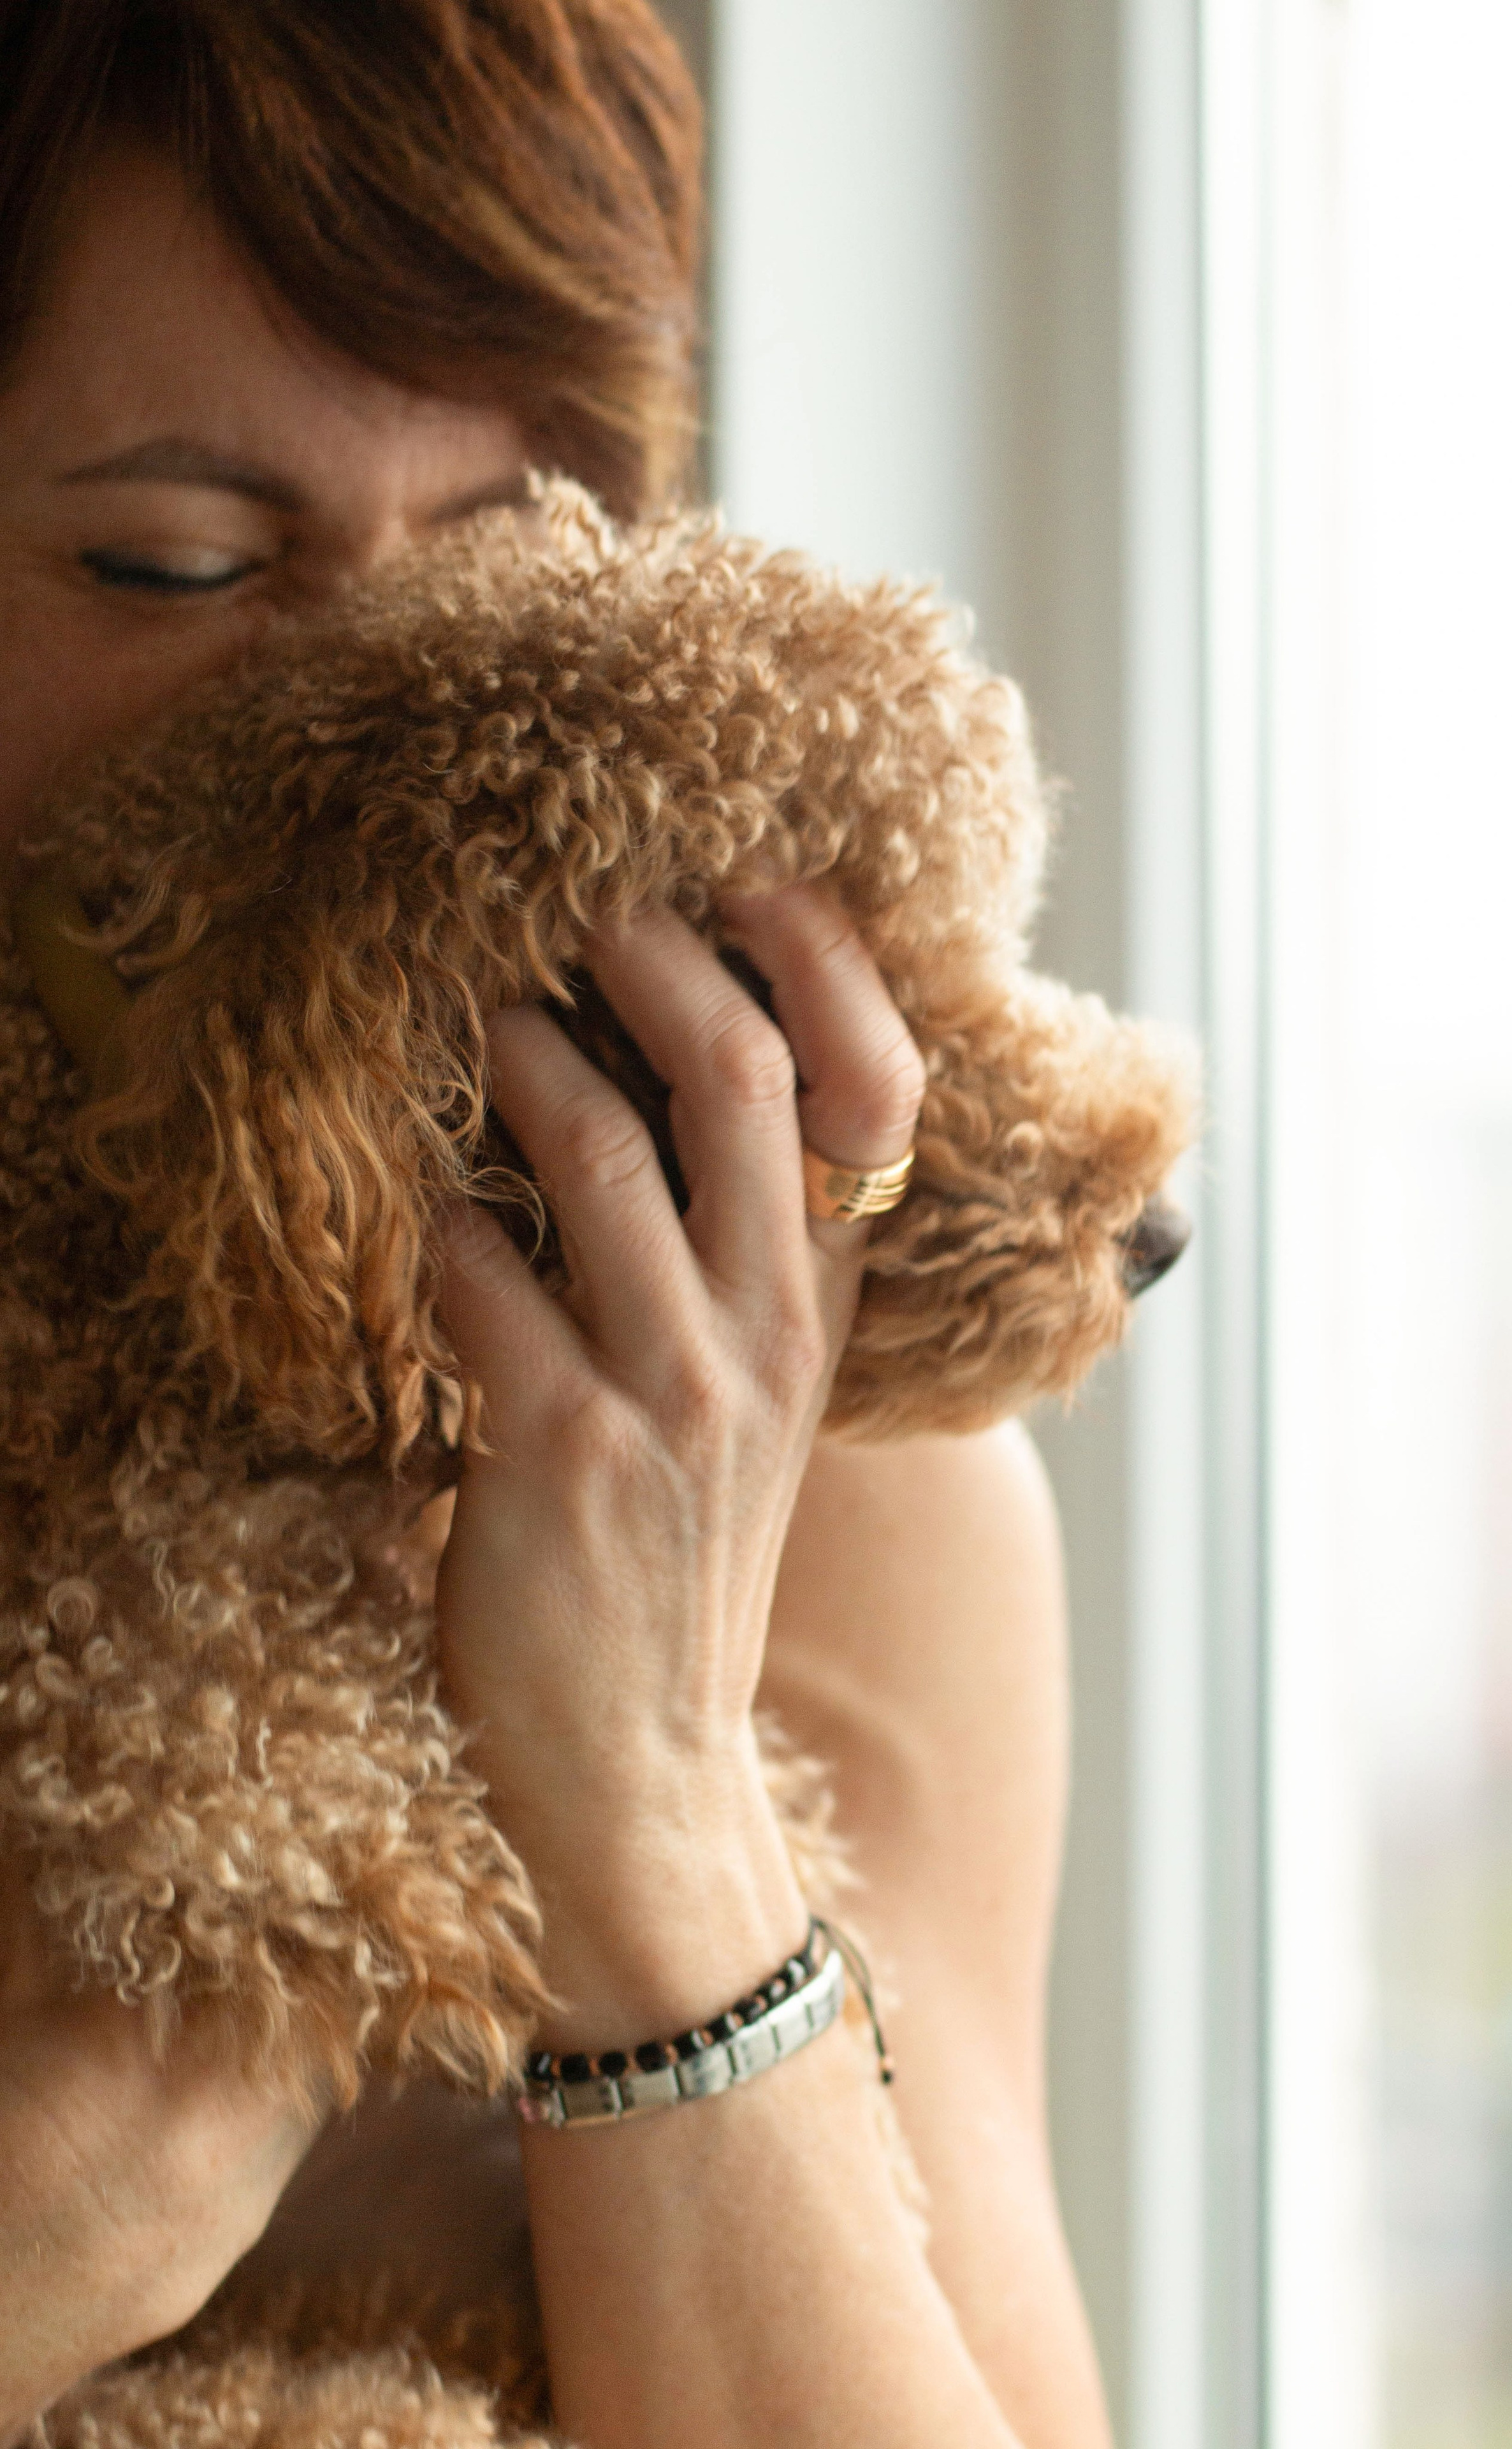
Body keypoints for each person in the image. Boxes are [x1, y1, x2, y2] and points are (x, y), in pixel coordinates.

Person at [0, 6, 1110, 2444]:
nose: (391, 707)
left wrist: (652, 1803)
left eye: (516, 565)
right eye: (179, 560)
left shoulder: (864, 1507)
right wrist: (98, 2158)